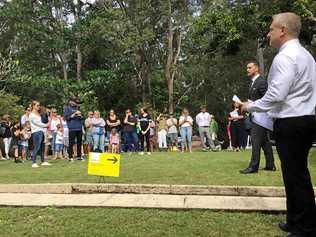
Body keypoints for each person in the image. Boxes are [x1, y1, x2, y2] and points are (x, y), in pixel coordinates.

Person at [242, 13, 316, 237]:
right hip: (304, 118)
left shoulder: (285, 57)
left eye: (271, 29)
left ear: (282, 30)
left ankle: (305, 227)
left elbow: (276, 94)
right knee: (294, 172)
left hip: (292, 121)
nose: (268, 33)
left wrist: (250, 106)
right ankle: (295, 220)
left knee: (295, 175)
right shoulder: (305, 56)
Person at [240, 60, 275, 174]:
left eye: (249, 67)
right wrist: (245, 104)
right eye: (247, 68)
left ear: (256, 68)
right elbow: (255, 99)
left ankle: (253, 167)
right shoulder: (252, 83)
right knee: (264, 141)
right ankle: (270, 165)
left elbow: (266, 100)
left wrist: (250, 105)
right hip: (255, 115)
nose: (247, 70)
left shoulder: (261, 82)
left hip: (261, 117)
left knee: (255, 141)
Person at [29, 100, 51, 168]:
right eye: (37, 105)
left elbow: (43, 121)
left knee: (42, 147)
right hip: (36, 132)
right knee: (37, 147)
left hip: (42, 132)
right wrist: (47, 124)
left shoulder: (38, 113)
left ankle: (43, 161)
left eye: (39, 105)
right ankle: (34, 162)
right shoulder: (31, 115)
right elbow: (39, 124)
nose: (39, 106)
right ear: (33, 106)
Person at [63, 96, 83, 161]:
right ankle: (70, 157)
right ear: (70, 101)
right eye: (74, 101)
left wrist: (81, 116)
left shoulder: (78, 108)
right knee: (71, 143)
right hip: (72, 128)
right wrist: (74, 114)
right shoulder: (67, 108)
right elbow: (66, 118)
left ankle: (79, 156)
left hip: (79, 127)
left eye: (76, 101)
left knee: (79, 143)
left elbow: (82, 117)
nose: (75, 102)